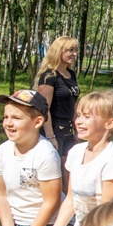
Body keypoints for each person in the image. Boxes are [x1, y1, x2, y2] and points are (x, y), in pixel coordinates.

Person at [40, 89, 113, 226]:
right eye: (78, 115)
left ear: (110, 123)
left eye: (87, 116)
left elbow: (103, 215)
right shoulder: (76, 152)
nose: (78, 121)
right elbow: (71, 199)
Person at [0, 90, 62, 226]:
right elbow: (1, 194)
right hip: (13, 223)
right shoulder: (2, 151)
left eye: (16, 118)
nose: (8, 123)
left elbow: (51, 201)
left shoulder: (46, 155)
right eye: (6, 117)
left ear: (37, 122)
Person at [36, 36, 81, 166]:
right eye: (70, 50)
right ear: (59, 51)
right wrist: (50, 136)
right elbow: (44, 109)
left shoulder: (71, 74)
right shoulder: (49, 76)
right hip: (54, 128)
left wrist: (76, 130)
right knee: (54, 167)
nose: (74, 54)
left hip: (68, 129)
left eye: (76, 50)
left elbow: (72, 103)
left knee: (69, 166)